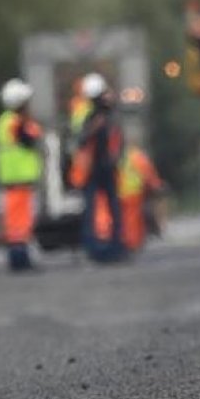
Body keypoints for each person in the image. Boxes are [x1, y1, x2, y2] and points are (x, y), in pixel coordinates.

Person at [73, 73, 125, 262]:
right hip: (93, 168)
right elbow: (81, 140)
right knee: (93, 210)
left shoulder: (109, 114)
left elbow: (118, 139)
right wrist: (93, 128)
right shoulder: (87, 116)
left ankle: (115, 247)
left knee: (111, 208)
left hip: (106, 166)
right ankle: (95, 249)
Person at [0, 79, 43, 271]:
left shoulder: (4, 121)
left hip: (12, 179)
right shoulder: (16, 122)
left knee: (15, 222)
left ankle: (18, 258)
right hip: (19, 178)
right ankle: (20, 260)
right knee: (20, 222)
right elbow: (30, 140)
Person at [93, 145, 165, 252]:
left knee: (121, 219)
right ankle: (131, 244)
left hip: (119, 192)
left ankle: (117, 241)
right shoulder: (138, 158)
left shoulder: (116, 157)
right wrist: (156, 186)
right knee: (132, 221)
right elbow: (148, 175)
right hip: (133, 193)